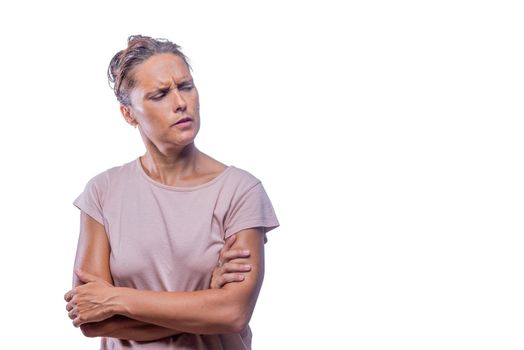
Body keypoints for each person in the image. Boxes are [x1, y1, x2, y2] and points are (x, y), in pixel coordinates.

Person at [64, 35, 280, 349]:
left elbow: (233, 312)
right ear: (129, 114)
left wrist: (116, 298)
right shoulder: (102, 193)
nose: (180, 102)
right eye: (160, 94)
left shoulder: (240, 191)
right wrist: (203, 303)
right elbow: (92, 318)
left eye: (186, 86)